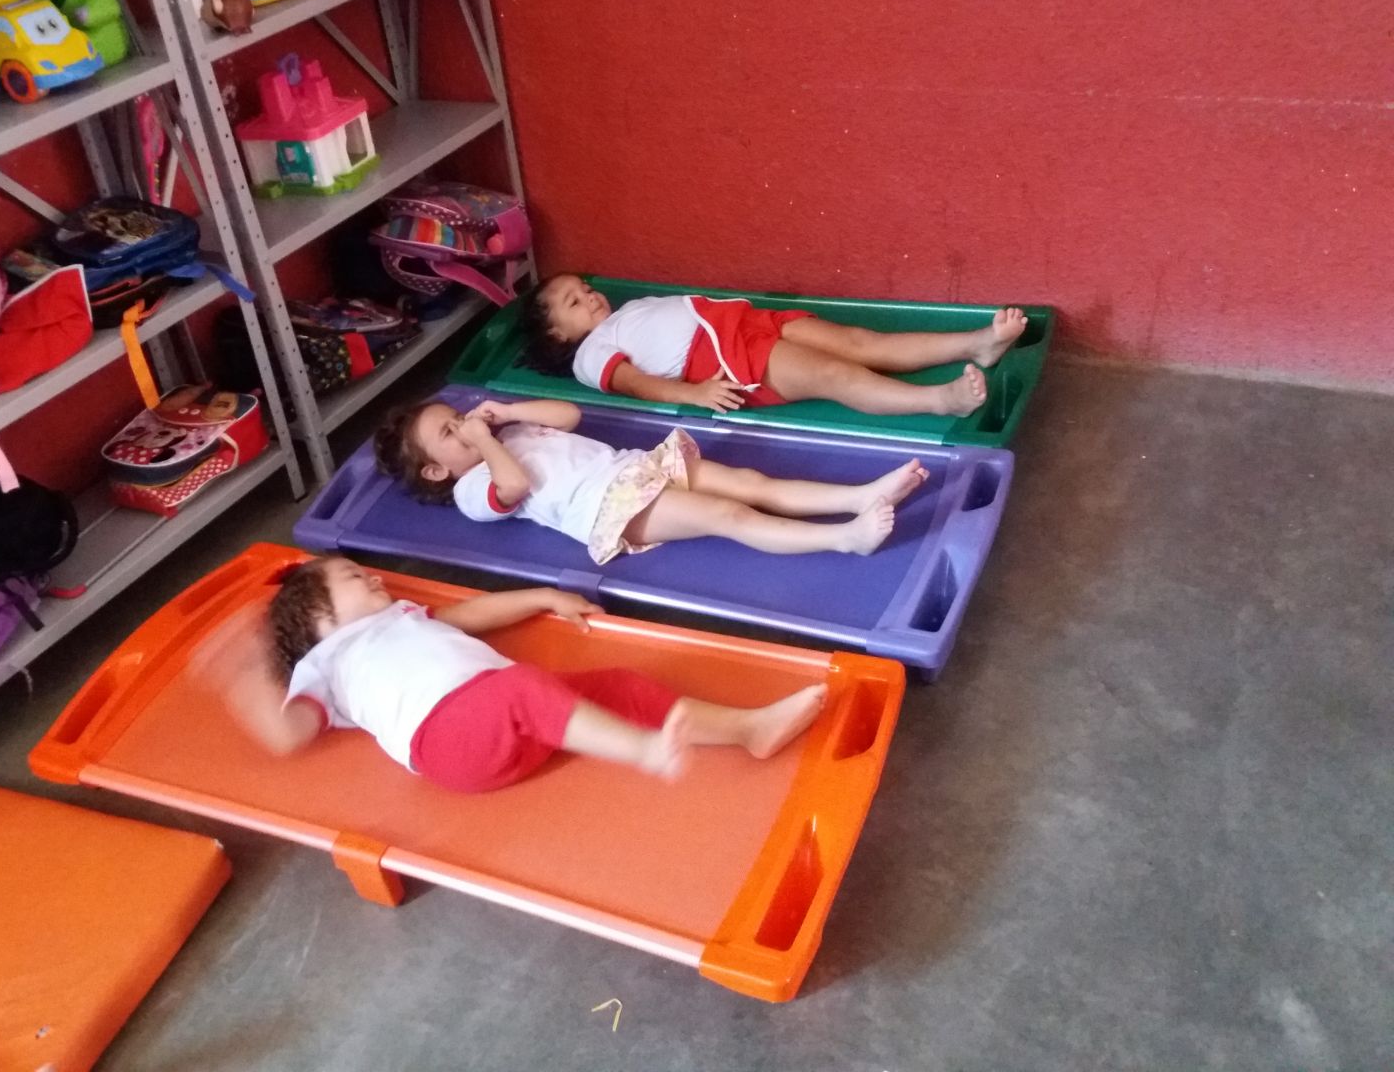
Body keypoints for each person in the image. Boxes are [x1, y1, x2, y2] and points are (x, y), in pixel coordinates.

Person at [205, 556, 827, 793]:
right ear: (319, 619)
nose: (371, 576)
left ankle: (750, 729)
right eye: (351, 577)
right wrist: (243, 675)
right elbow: (288, 733)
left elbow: (473, 615)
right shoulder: (327, 666)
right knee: (523, 688)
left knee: (619, 685)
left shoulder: (403, 617)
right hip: (449, 745)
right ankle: (644, 752)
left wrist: (541, 596)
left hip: (509, 717)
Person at [374, 397, 930, 563]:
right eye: (450, 433)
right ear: (436, 470)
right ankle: (844, 538)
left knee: (750, 481)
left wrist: (508, 412)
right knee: (729, 516)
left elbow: (569, 415)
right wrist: (487, 441)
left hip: (637, 466)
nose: (464, 426)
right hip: (613, 507)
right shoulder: (470, 490)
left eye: (458, 416)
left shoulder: (509, 430)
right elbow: (513, 486)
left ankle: (861, 495)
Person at [520, 274, 1029, 418]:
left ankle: (976, 344)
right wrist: (692, 394)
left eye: (585, 288)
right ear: (557, 335)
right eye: (573, 301)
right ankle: (941, 401)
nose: (589, 296)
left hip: (744, 323)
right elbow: (631, 382)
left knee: (859, 342)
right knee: (834, 375)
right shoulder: (589, 354)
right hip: (724, 359)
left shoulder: (623, 312)